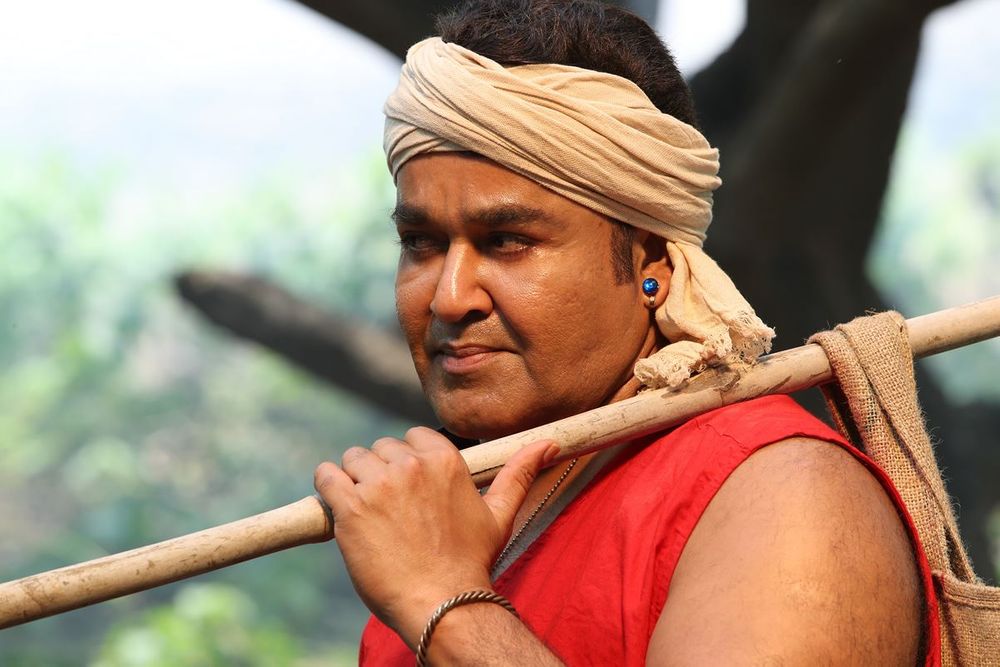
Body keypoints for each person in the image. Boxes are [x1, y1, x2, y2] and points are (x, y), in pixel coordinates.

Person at [313, 1, 940, 664]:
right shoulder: (438, 522)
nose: (449, 297)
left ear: (653, 263)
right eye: (421, 242)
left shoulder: (784, 492)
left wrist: (446, 602)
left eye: (507, 241)